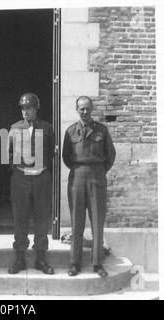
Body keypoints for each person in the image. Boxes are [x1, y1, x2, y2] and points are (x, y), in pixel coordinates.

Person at [62, 96, 116, 278]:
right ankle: (74, 263)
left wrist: (98, 171)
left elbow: (110, 156)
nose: (85, 112)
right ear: (76, 110)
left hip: (97, 177)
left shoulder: (102, 130)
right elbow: (66, 157)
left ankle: (97, 263)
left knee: (97, 221)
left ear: (92, 109)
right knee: (77, 221)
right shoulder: (70, 132)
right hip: (77, 176)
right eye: (81, 109)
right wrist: (80, 170)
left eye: (87, 109)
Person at [7, 92, 55, 275]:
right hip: (21, 178)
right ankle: (20, 257)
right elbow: (8, 153)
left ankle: (41, 258)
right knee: (20, 218)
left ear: (36, 109)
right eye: (23, 108)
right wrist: (19, 168)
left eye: (29, 108)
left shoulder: (47, 128)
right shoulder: (14, 128)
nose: (25, 111)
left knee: (42, 218)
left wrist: (40, 168)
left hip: (41, 177)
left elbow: (50, 152)